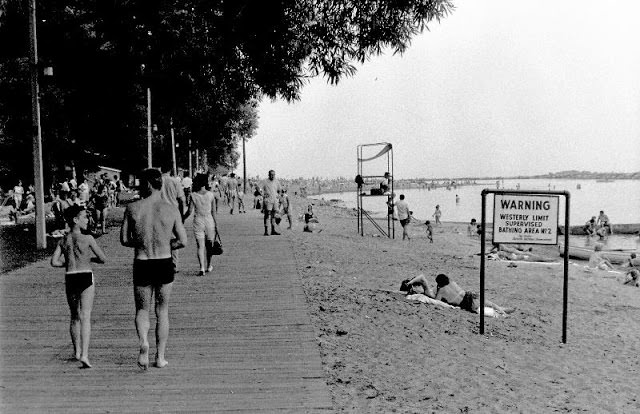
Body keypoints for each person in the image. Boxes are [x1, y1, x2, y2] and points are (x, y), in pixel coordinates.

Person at [120, 168, 187, 370]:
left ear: (148, 184)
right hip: (164, 261)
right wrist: (166, 244)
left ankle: (143, 342)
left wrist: (141, 243)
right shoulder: (171, 208)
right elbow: (183, 241)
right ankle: (160, 357)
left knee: (142, 309)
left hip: (142, 261)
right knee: (162, 311)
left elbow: (124, 239)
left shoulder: (132, 208)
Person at [51, 205, 107, 368]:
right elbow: (103, 258)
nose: (87, 219)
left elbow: (54, 262)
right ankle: (85, 354)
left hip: (71, 276)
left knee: (74, 316)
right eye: (83, 217)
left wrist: (67, 262)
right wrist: (89, 260)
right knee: (86, 316)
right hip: (85, 275)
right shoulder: (88, 238)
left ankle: (76, 351)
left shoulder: (63, 240)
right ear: (75, 220)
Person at [184, 174, 217, 276]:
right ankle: (209, 265)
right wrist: (216, 224)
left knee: (200, 246)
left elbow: (189, 211)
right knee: (209, 245)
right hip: (209, 221)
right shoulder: (211, 195)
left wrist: (182, 218)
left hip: (198, 220)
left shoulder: (193, 195)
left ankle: (202, 268)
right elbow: (214, 212)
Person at [434, 274, 513, 315]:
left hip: (467, 303)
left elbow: (436, 302)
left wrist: (438, 289)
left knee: (485, 309)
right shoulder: (452, 282)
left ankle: (504, 313)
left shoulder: (441, 290)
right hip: (470, 295)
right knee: (491, 304)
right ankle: (503, 310)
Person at [160, 165, 186, 272]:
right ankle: (174, 264)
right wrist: (182, 214)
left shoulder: (157, 181)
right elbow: (182, 200)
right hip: (173, 212)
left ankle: (162, 262)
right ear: (171, 170)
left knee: (160, 238)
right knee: (175, 238)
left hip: (159, 212)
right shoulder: (175, 181)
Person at [261, 169, 282, 236]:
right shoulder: (265, 181)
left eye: (273, 175)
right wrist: (263, 194)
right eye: (271, 175)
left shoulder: (276, 181)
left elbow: (280, 190)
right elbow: (258, 188)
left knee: (273, 216)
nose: (272, 176)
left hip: (275, 200)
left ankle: (273, 230)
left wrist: (279, 195)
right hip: (268, 200)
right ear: (269, 175)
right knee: (267, 215)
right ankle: (266, 231)